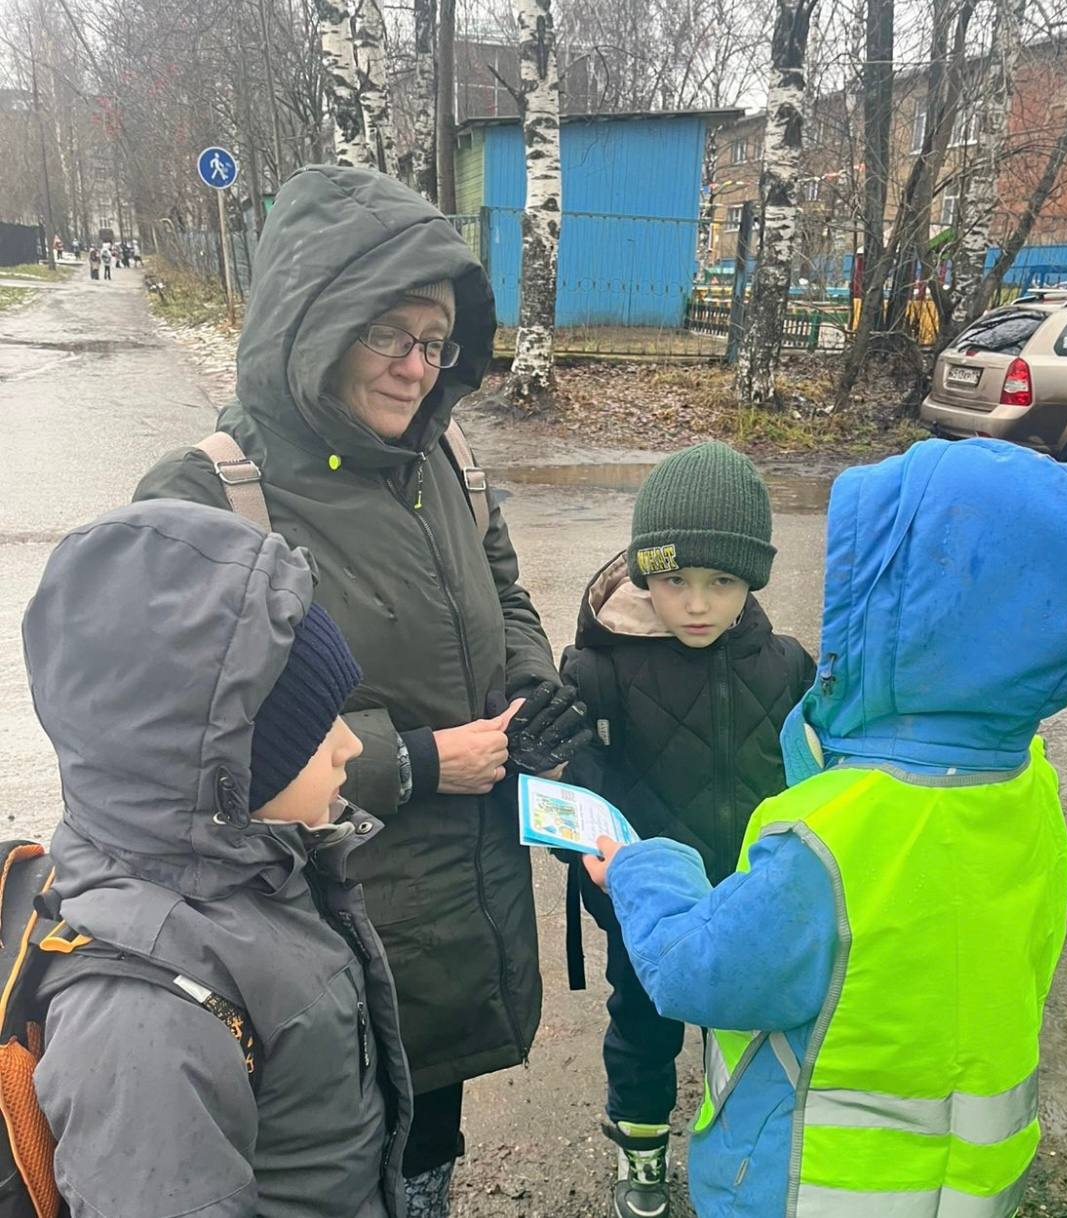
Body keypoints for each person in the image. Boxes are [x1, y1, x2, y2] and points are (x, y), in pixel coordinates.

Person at [134, 165, 583, 1216]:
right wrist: (416, 762)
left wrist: (531, 684)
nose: (418, 368)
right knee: (324, 1175)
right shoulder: (208, 492)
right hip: (312, 943)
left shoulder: (446, 457)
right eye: (390, 334)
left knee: (427, 1160)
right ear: (315, 320)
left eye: (435, 341)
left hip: (461, 920)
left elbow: (503, 590)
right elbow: (180, 747)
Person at [584, 438, 1067, 1218]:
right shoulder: (1029, 784)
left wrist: (643, 868)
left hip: (808, 1180)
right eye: (675, 582)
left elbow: (696, 967)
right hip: (971, 1184)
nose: (697, 603)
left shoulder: (830, 840)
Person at [23, 498, 412, 1218]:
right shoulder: (144, 1021)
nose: (350, 746)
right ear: (224, 773)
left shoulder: (250, 866)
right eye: (312, 731)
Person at [560, 441, 814, 1218]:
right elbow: (581, 791)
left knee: (746, 1030)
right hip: (649, 905)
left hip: (750, 900)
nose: (697, 605)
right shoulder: (599, 671)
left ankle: (741, 1151)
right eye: (674, 582)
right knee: (642, 1030)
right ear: (646, 575)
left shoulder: (788, 667)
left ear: (751, 583)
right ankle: (641, 1153)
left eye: (722, 582)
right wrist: (600, 871)